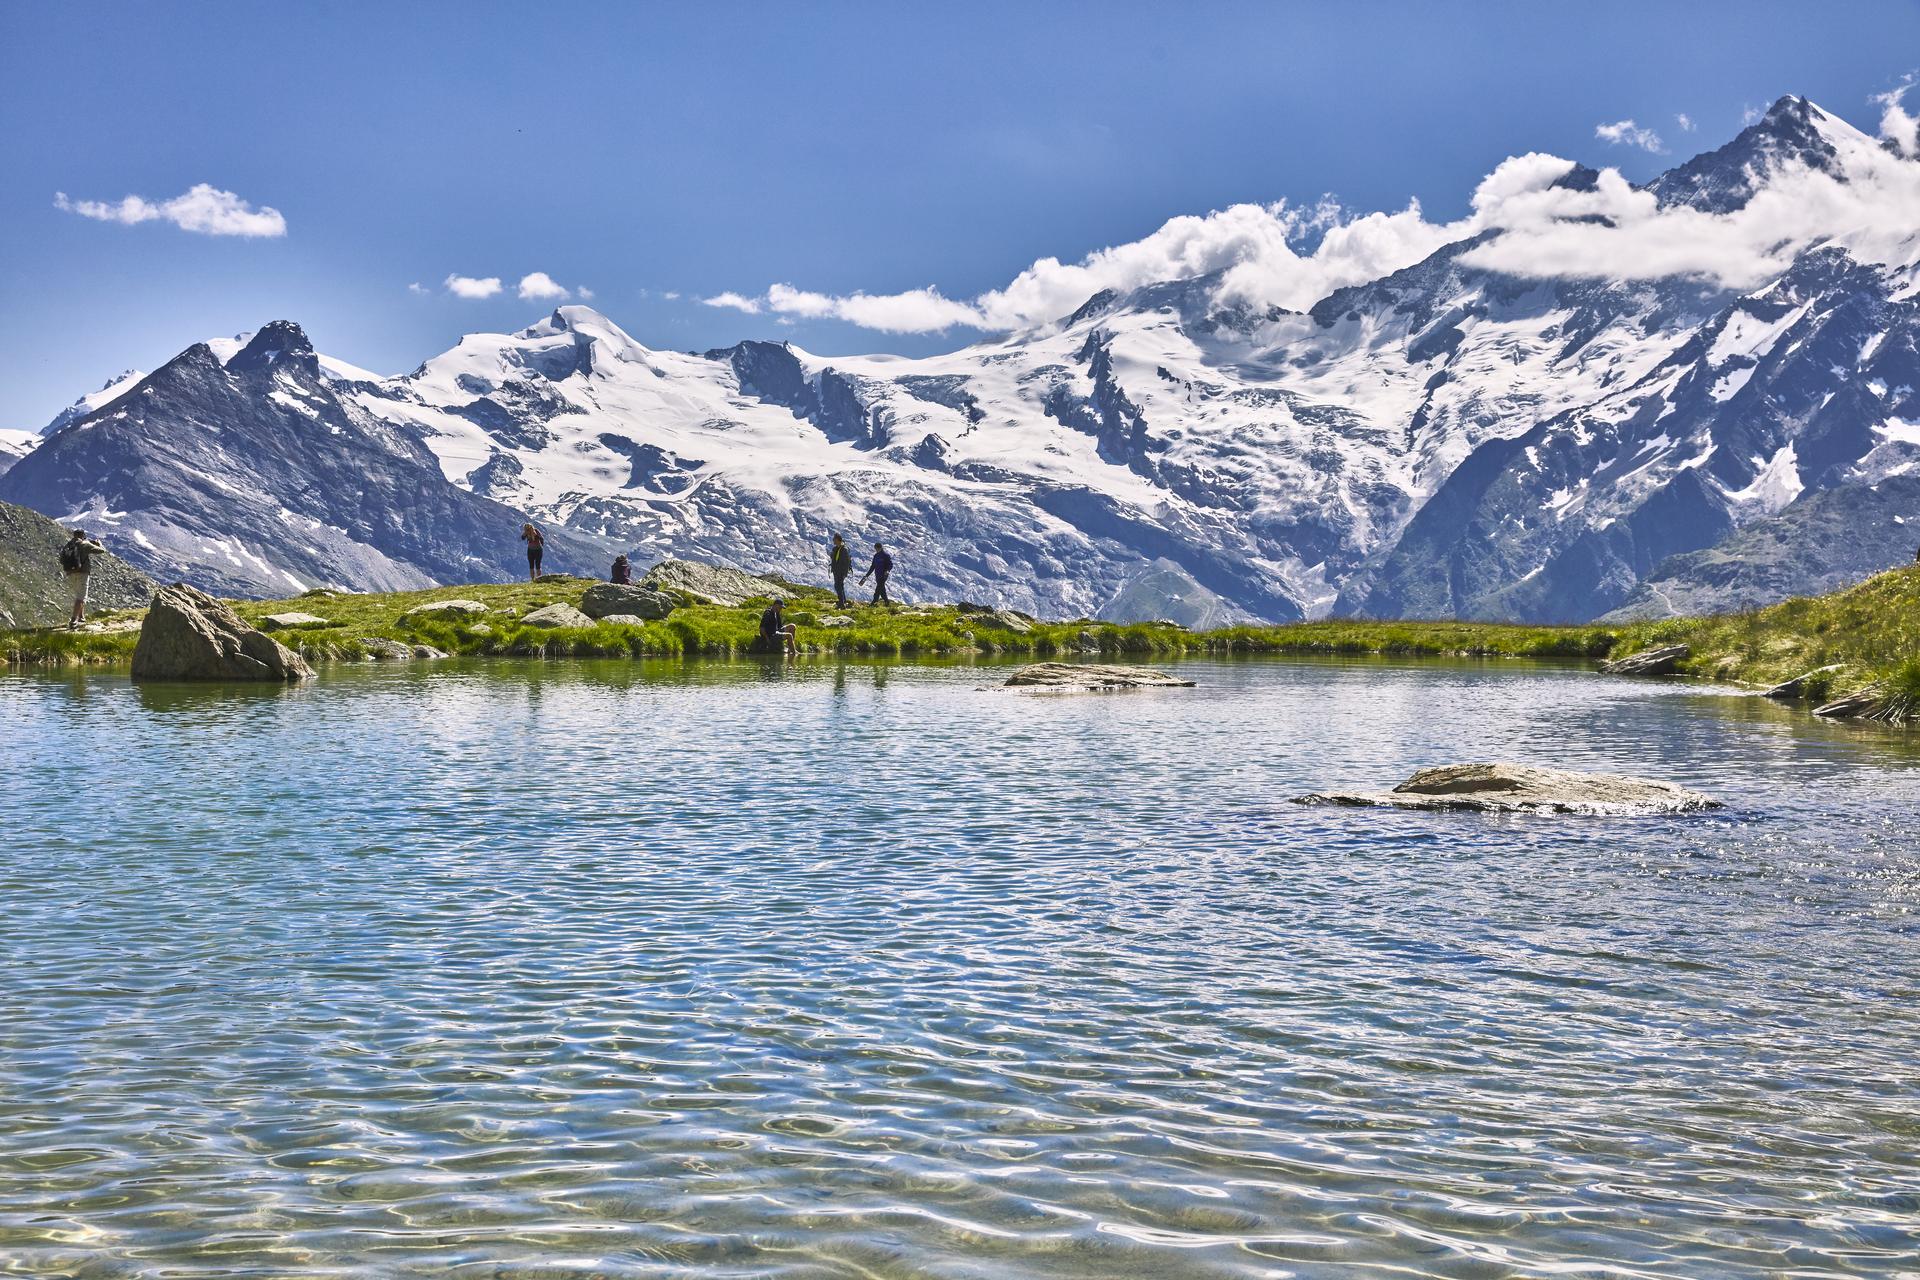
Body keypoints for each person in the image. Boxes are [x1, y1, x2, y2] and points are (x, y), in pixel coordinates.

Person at [60, 529, 107, 630]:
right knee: (81, 597)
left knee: (79, 595)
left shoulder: (68, 544)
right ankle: (73, 621)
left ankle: (81, 617)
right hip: (82, 573)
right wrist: (99, 544)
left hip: (70, 573)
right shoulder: (85, 544)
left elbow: (61, 559)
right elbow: (102, 551)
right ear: (83, 536)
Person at [859, 542, 894, 606]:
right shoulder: (876, 556)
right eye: (875, 549)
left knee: (878, 589)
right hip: (877, 575)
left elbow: (890, 564)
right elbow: (873, 566)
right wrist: (867, 575)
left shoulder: (886, 555)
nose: (876, 550)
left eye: (877, 549)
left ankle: (874, 603)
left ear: (880, 548)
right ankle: (887, 602)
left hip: (883, 575)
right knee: (882, 590)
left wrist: (887, 570)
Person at [828, 534, 854, 607]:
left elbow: (846, 562)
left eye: (834, 539)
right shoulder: (836, 549)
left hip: (841, 571)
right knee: (840, 586)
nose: (833, 540)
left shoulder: (844, 550)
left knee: (837, 586)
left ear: (837, 540)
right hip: (836, 571)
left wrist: (844, 573)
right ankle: (843, 601)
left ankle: (841, 603)